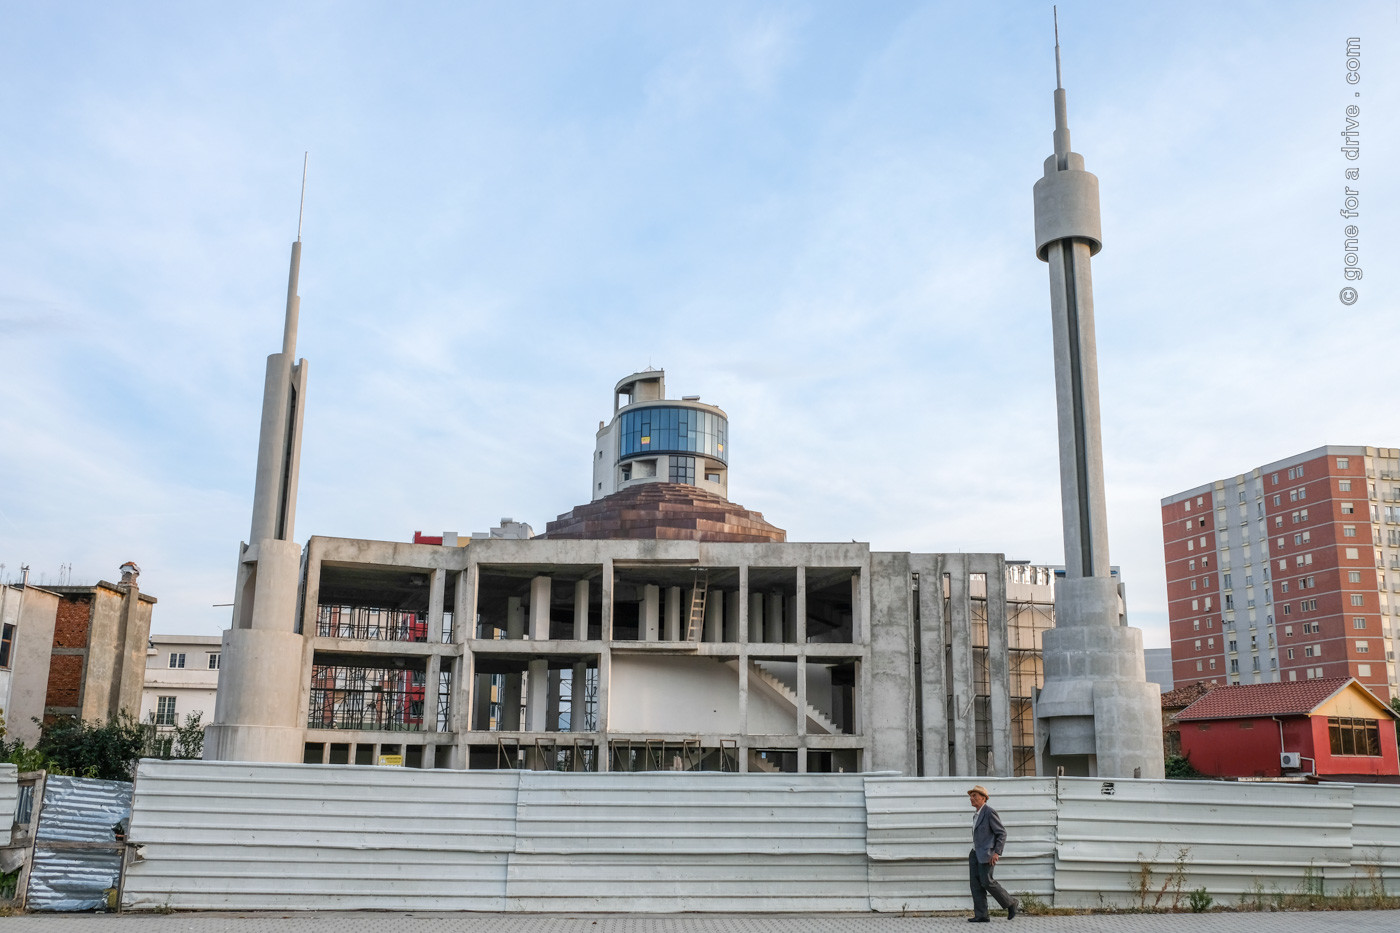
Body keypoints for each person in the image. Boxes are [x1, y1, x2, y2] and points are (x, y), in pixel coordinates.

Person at [967, 784, 1018, 922]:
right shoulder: (976, 815)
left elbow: (1001, 833)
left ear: (983, 798)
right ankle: (981, 915)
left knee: (987, 881)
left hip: (986, 854)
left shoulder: (989, 812)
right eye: (971, 796)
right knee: (975, 885)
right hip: (975, 853)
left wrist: (996, 853)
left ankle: (1011, 903)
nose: (971, 798)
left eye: (974, 796)